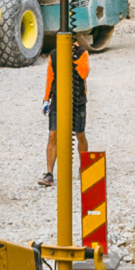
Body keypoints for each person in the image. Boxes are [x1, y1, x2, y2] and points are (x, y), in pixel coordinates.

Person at [41, 37, 90, 188]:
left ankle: (84, 166)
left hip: (77, 99)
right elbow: (50, 77)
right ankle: (49, 174)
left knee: (79, 134)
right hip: (58, 100)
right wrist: (46, 99)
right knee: (53, 134)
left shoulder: (82, 53)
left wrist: (71, 57)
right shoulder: (54, 55)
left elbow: (83, 73)